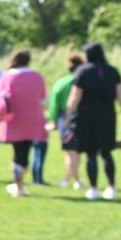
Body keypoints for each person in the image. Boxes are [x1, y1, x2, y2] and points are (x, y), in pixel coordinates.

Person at [65, 42, 121, 201]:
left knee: (91, 153)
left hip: (86, 116)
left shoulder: (82, 71)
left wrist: (68, 115)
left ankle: (93, 188)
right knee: (106, 152)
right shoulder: (112, 71)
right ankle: (111, 187)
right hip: (107, 115)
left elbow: (76, 95)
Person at [0, 50, 48, 197]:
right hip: (33, 120)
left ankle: (17, 184)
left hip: (13, 120)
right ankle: (19, 183)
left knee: (18, 152)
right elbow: (44, 100)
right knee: (25, 152)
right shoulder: (37, 77)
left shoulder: (7, 76)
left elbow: (1, 99)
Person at [48, 53, 85, 189]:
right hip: (81, 117)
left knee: (70, 151)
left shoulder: (62, 83)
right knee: (77, 151)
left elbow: (54, 103)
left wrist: (53, 120)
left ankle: (72, 179)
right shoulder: (84, 81)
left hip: (65, 118)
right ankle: (72, 179)